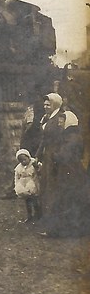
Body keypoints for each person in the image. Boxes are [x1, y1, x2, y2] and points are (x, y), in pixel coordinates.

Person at [36, 92, 89, 236]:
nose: (60, 123)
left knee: (64, 200)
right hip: (70, 171)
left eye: (62, 121)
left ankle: (61, 230)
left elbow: (65, 155)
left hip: (68, 171)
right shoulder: (71, 135)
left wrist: (54, 155)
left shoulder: (72, 137)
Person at [13, 148, 41, 224]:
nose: (23, 162)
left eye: (24, 160)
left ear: (28, 157)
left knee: (35, 200)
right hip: (23, 185)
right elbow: (17, 177)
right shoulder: (19, 168)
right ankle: (29, 215)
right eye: (21, 161)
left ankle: (38, 215)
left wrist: (38, 168)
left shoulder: (33, 164)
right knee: (27, 201)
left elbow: (39, 171)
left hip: (32, 184)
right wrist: (17, 186)